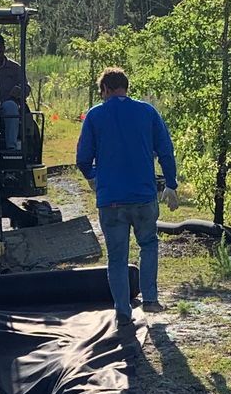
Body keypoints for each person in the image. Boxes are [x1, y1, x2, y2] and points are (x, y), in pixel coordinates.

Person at [75, 67, 178, 323]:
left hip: (111, 200)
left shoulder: (95, 115)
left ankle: (122, 310)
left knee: (117, 257)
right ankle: (151, 299)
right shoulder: (147, 112)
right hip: (143, 196)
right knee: (149, 244)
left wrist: (93, 178)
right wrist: (171, 184)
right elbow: (166, 150)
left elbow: (83, 158)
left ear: (106, 89)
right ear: (125, 87)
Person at [0, 32, 29, 155]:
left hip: (5, 105)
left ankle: (11, 148)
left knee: (11, 107)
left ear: (4, 49)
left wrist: (19, 90)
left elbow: (26, 88)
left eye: (0, 51)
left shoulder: (14, 68)